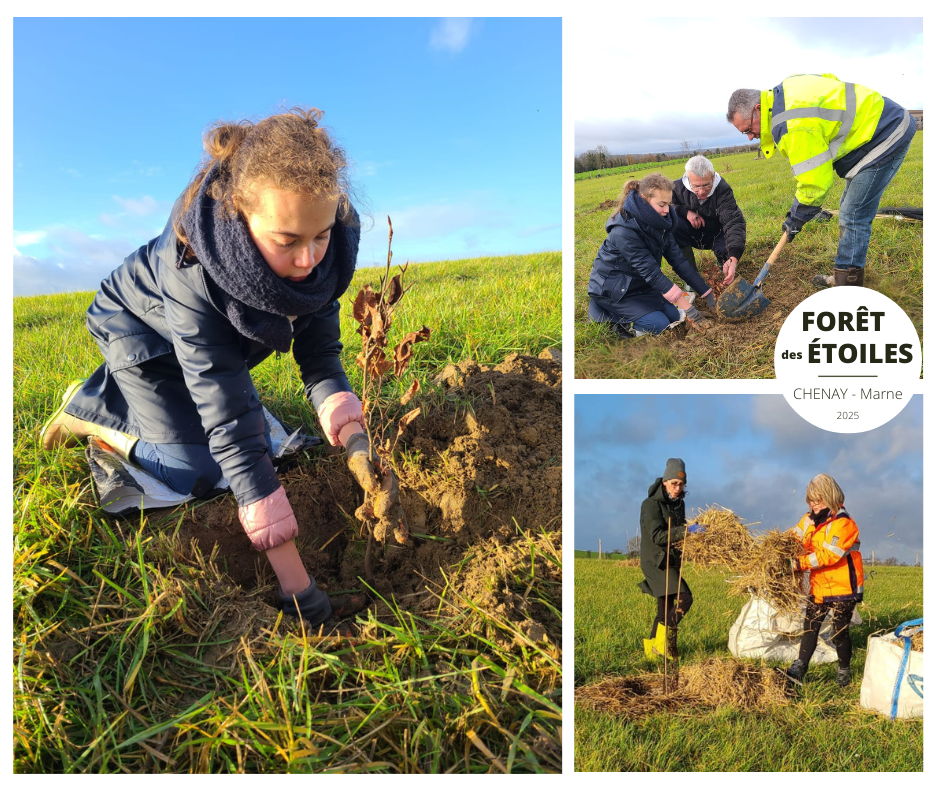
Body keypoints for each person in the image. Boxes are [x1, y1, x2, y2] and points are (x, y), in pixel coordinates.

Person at [40, 108, 383, 631]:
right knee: (197, 471)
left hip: (212, 343)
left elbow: (319, 356)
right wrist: (300, 591)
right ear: (242, 215)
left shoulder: (321, 253)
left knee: (242, 436)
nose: (308, 258)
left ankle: (134, 401)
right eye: (287, 240)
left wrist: (348, 424)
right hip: (137, 325)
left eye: (320, 235)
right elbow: (224, 402)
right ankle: (90, 410)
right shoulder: (196, 266)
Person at [727, 74, 916, 288]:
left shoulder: (791, 124)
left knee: (853, 214)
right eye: (745, 134)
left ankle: (847, 286)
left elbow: (814, 182)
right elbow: (829, 81)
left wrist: (795, 219)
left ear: (758, 109)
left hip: (885, 133)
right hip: (876, 125)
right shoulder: (785, 91)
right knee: (849, 207)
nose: (751, 137)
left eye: (748, 129)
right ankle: (845, 277)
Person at [587, 174, 717, 338]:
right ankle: (605, 313)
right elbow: (653, 274)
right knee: (659, 325)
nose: (667, 210)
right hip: (615, 289)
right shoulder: (624, 231)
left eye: (669, 204)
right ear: (644, 199)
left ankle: (640, 311)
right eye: (662, 204)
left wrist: (707, 293)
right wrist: (692, 312)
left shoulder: (661, 223)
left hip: (639, 284)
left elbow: (679, 262)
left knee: (674, 316)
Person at [785, 474, 864, 687]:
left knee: (839, 633)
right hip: (820, 586)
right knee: (809, 627)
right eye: (811, 500)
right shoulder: (809, 519)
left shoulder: (843, 523)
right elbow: (791, 539)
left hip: (843, 587)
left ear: (831, 497)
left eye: (818, 499)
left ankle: (844, 672)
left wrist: (797, 564)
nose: (814, 504)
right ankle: (799, 669)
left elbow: (828, 555)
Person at [638, 458, 693, 659]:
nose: (677, 488)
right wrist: (687, 531)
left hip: (671, 560)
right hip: (656, 562)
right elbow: (658, 536)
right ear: (664, 482)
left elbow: (679, 534)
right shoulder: (651, 505)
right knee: (685, 598)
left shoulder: (679, 504)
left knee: (665, 609)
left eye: (681, 484)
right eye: (674, 483)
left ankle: (652, 653)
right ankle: (664, 645)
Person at [671, 155, 745, 287]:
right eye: (696, 186)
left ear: (713, 176)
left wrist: (733, 258)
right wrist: (684, 211)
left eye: (706, 185)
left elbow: (733, 221)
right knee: (674, 224)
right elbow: (666, 206)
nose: (701, 191)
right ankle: (690, 277)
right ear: (688, 179)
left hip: (718, 233)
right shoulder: (676, 187)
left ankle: (725, 267)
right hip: (693, 233)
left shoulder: (723, 189)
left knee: (726, 253)